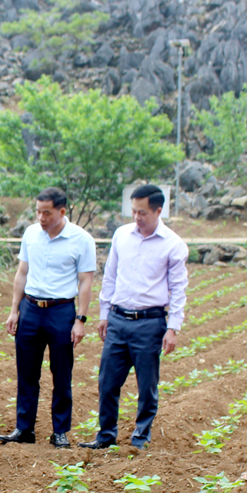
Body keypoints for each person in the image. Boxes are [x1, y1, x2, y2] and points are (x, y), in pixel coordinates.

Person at [81, 184, 188, 450]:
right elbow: (110, 276)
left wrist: (172, 327)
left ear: (158, 211)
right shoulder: (121, 235)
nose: (137, 217)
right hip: (118, 319)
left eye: (143, 212)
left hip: (150, 323)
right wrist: (104, 314)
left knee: (146, 385)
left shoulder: (173, 244)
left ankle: (140, 437)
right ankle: (105, 435)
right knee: (107, 381)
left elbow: (178, 289)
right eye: (134, 211)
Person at [0, 187, 96, 449]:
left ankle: (60, 431)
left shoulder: (81, 239)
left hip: (61, 311)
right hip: (30, 309)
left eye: (47, 213)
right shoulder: (31, 234)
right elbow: (22, 272)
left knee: (61, 374)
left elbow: (86, 281)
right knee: (27, 373)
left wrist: (80, 320)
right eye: (38, 212)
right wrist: (14, 309)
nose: (41, 218)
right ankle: (24, 428)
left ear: (62, 211)